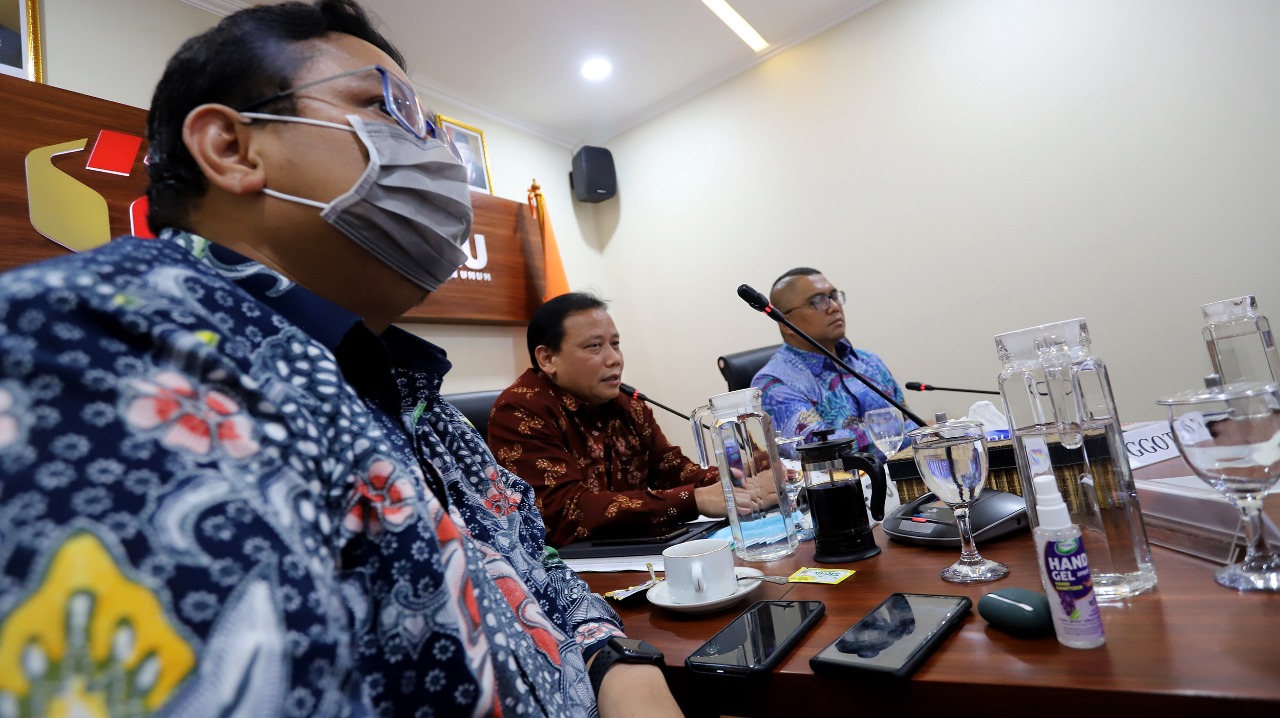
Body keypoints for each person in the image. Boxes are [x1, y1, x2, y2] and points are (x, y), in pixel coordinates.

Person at [0, 2, 680, 716]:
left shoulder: (417, 400)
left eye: (433, 130)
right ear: (231, 148)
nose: (439, 159)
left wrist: (615, 659)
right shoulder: (88, 341)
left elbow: (538, 564)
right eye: (387, 109)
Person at [488, 293, 759, 546]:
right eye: (595, 347)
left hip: (631, 556)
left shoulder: (627, 404)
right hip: (564, 569)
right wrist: (694, 500)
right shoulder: (520, 410)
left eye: (615, 344)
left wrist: (742, 480)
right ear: (547, 359)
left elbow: (673, 470)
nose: (614, 359)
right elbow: (563, 511)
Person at [752, 267, 919, 458]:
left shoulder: (869, 361)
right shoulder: (773, 383)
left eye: (833, 296)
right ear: (785, 324)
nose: (834, 307)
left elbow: (911, 423)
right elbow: (821, 451)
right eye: (816, 301)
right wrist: (899, 431)